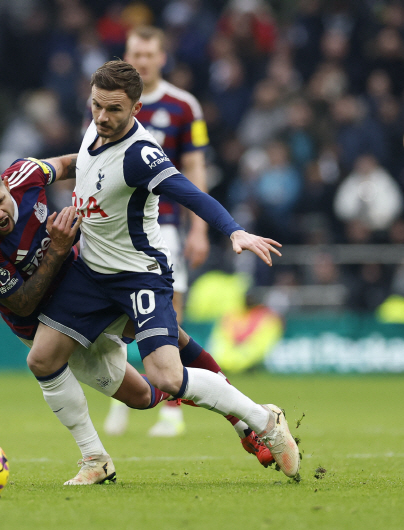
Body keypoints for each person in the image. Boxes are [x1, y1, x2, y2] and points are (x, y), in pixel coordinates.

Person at [28, 60, 300, 482]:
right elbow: (79, 165)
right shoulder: (94, 126)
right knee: (42, 358)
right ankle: (95, 460)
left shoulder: (141, 154)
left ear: (136, 108)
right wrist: (32, 169)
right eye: (97, 105)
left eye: (115, 109)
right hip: (90, 274)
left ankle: (262, 421)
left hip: (139, 275)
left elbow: (190, 193)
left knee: (165, 376)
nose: (103, 116)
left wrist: (234, 230)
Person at [0, 155, 272, 485]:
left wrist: (111, 179)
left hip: (88, 284)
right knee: (144, 398)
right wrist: (58, 249)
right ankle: (126, 439)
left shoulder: (27, 174)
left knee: (170, 337)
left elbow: (75, 163)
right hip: (41, 321)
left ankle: (247, 423)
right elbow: (21, 304)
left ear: (5, 185)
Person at [105, 25, 211, 437]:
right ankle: (124, 400)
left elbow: (195, 168)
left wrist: (198, 229)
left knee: (171, 314)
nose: (142, 61)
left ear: (162, 57)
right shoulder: (109, 100)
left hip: (164, 225)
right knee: (116, 315)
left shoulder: (183, 106)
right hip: (115, 226)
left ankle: (173, 408)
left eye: (149, 54)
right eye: (135, 53)